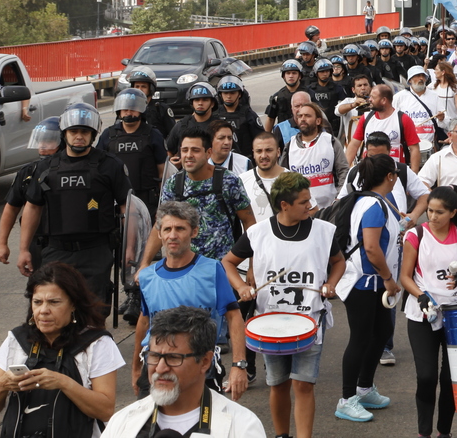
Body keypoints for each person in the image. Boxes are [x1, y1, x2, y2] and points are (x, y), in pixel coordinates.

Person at [222, 172, 345, 438]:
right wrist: (241, 287)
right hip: (270, 325)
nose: (310, 205)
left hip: (311, 321)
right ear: (284, 205)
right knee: (278, 384)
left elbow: (338, 262)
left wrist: (331, 283)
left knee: (304, 385)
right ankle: (281, 435)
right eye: (303, 201)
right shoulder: (258, 233)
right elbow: (228, 262)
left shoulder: (323, 231)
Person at [0, 263, 122, 438]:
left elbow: (105, 411)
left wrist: (63, 383)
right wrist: (2, 386)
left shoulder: (97, 343)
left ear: (73, 304)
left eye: (54, 302)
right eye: (37, 302)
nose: (43, 311)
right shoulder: (17, 340)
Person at [18, 102, 131, 303]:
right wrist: (24, 249)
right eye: (74, 131)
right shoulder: (45, 168)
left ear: (93, 134)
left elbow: (127, 208)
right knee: (55, 307)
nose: (79, 136)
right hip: (56, 251)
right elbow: (33, 207)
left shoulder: (110, 165)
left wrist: (129, 248)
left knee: (94, 310)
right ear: (64, 133)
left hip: (96, 251)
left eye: (85, 132)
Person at [134, 201, 247, 400]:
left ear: (194, 232)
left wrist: (239, 365)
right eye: (167, 229)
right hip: (156, 368)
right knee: (151, 420)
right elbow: (144, 322)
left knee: (203, 421)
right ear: (159, 234)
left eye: (180, 229)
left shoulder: (212, 270)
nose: (172, 235)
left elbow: (233, 316)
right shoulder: (147, 277)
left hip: (200, 368)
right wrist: (136, 367)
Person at [108, 306, 265, 437]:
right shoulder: (123, 423)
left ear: (205, 361)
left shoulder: (242, 427)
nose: (160, 368)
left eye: (173, 358)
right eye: (155, 356)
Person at [400, 185, 457, 438]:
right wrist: (420, 295)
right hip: (423, 313)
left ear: (453, 213)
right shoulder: (415, 235)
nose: (432, 216)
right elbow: (405, 277)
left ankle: (444, 432)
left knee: (450, 378)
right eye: (430, 211)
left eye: (439, 212)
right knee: (426, 377)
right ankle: (423, 433)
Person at [333, 155, 406, 423]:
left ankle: (364, 388)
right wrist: (389, 278)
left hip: (371, 281)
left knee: (382, 331)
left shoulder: (372, 201)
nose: (397, 177)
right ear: (389, 176)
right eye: (395, 173)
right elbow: (372, 248)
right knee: (361, 338)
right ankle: (346, 399)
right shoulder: (374, 205)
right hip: (363, 281)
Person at [143, 128, 256, 265]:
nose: (189, 155)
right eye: (185, 150)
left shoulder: (229, 180)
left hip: (221, 268)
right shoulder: (173, 183)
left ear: (208, 153)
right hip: (184, 268)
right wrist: (144, 264)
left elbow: (249, 222)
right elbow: (160, 224)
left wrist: (253, 264)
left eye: (195, 150)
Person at [0, 117, 61, 267]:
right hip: (38, 242)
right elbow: (11, 208)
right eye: (40, 141)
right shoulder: (28, 172)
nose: (43, 146)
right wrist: (2, 243)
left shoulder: (75, 171)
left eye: (49, 141)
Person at [98, 88, 167, 215]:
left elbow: (162, 172)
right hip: (116, 198)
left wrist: (163, 203)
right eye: (125, 109)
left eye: (133, 108)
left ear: (141, 110)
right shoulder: (108, 135)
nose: (128, 112)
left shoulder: (153, 134)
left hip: (147, 199)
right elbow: (99, 168)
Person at [285, 101, 347, 213]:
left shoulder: (331, 141)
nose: (303, 119)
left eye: (307, 116)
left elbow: (343, 170)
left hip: (329, 209)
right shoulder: (290, 145)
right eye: (300, 116)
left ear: (318, 121)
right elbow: (283, 176)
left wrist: (339, 198)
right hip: (301, 211)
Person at [345, 83, 421, 167]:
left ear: (383, 100)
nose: (369, 99)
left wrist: (413, 173)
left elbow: (414, 149)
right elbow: (354, 145)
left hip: (394, 170)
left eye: (373, 97)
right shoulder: (366, 118)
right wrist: (345, 170)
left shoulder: (403, 119)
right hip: (369, 170)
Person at [165, 82, 224, 159]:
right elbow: (169, 151)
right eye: (196, 100)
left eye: (205, 100)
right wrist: (171, 161)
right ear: (192, 103)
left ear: (212, 103)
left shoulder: (221, 126)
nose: (200, 103)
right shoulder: (181, 125)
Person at [394, 65, 441, 161]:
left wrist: (442, 118)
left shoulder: (435, 96)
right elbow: (393, 120)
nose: (421, 79)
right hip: (406, 147)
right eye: (417, 76)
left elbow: (444, 122)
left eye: (423, 76)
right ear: (410, 80)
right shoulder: (399, 97)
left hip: (429, 146)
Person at [239, 131, 286, 225]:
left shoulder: (294, 179)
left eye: (269, 150)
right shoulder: (241, 181)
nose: (263, 156)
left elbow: (311, 210)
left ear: (278, 152)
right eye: (259, 151)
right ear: (253, 153)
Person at [214, 75, 262, 157]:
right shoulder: (214, 115)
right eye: (225, 93)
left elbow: (260, 139)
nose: (229, 96)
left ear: (239, 94)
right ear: (220, 94)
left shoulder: (248, 114)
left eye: (232, 93)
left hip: (245, 158)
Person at [264, 60, 308, 132]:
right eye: (288, 73)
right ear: (283, 76)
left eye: (294, 73)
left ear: (300, 76)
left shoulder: (309, 94)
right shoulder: (277, 97)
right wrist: (266, 136)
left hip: (305, 132)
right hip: (284, 134)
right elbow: (270, 118)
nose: (291, 76)